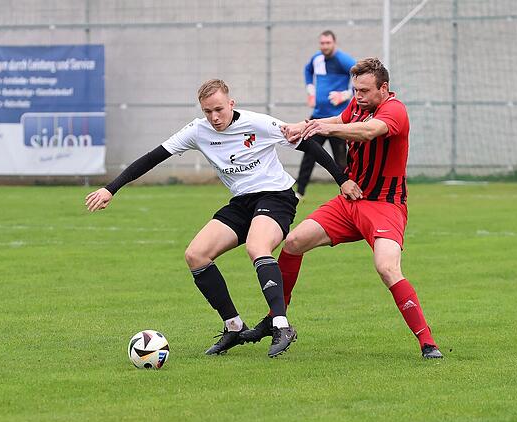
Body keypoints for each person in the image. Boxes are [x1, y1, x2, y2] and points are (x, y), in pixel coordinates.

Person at [85, 79, 362, 358]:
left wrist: (342, 180)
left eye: (219, 109)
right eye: (208, 111)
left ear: (231, 104)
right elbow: (152, 158)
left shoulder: (259, 123)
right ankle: (233, 326)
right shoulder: (197, 130)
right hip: (242, 202)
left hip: (276, 196)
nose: (214, 117)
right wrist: (111, 188)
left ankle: (281, 324)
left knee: (257, 246)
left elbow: (309, 146)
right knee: (196, 254)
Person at [240, 58, 443, 359]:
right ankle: (275, 319)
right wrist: (310, 126)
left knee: (387, 268)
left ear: (383, 88)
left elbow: (367, 132)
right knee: (294, 243)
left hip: (385, 206)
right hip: (350, 202)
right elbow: (341, 118)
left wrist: (324, 129)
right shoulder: (358, 104)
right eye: (355, 89)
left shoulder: (394, 110)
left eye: (364, 90)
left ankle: (428, 343)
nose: (358, 95)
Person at [296, 30, 356, 199]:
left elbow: (361, 76)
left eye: (328, 43)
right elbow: (307, 71)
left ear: (334, 43)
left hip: (336, 120)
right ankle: (299, 192)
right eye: (322, 43)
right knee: (309, 153)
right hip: (317, 117)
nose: (325, 46)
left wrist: (345, 95)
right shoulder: (317, 58)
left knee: (341, 159)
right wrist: (310, 90)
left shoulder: (343, 60)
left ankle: (349, 190)